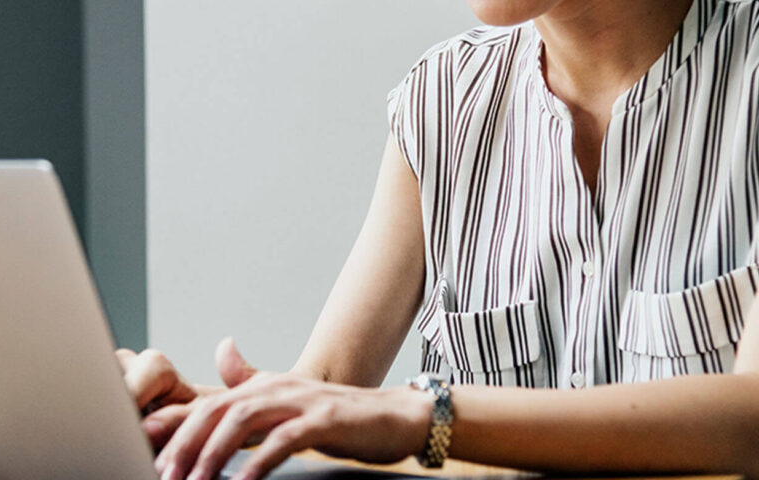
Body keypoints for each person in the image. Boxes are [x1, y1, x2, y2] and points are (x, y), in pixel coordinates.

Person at [118, 0, 759, 478]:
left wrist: (426, 416)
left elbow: (750, 416)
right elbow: (324, 392)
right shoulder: (441, 102)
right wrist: (176, 412)